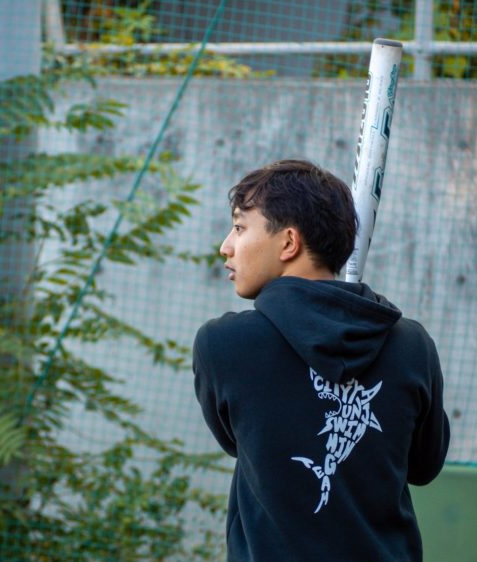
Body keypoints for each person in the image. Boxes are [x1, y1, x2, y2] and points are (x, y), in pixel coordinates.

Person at [193, 159, 450, 561]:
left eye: (240, 228)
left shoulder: (223, 345)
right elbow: (424, 465)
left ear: (289, 242)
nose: (226, 246)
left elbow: (238, 443)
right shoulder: (412, 345)